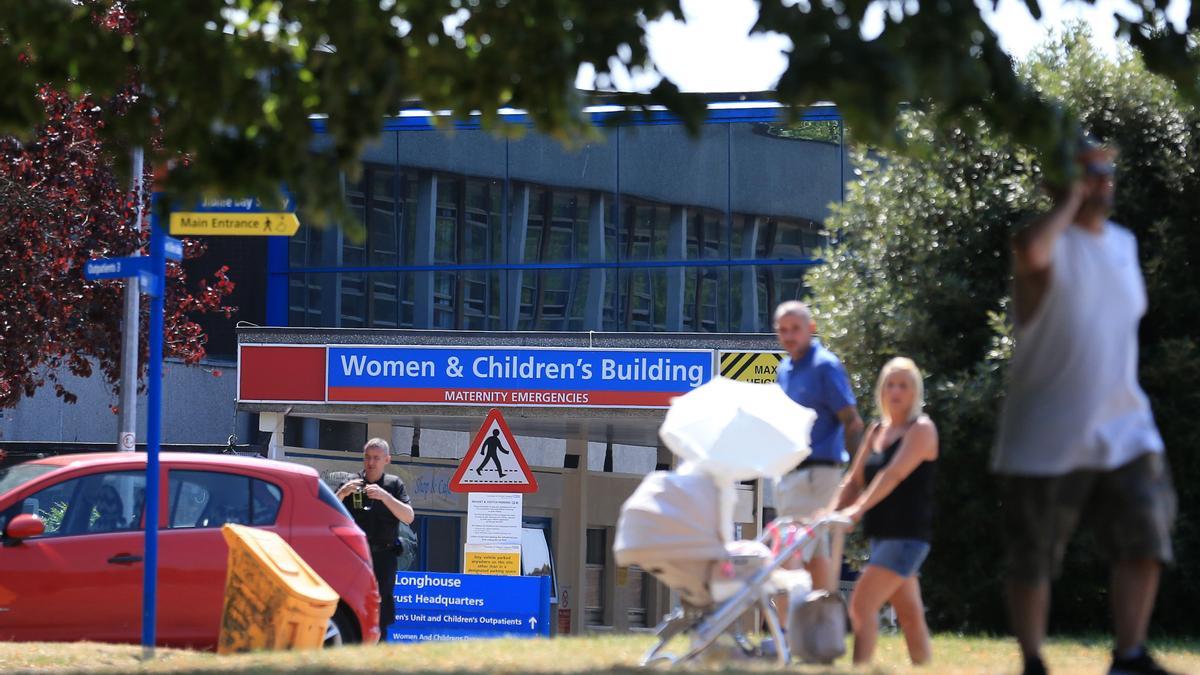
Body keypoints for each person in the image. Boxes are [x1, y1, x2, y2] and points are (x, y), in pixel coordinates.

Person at [994, 136, 1178, 675]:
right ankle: (1033, 660)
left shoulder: (1123, 244)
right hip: (1046, 431)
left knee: (1145, 534)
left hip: (1125, 424)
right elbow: (1030, 251)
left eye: (1105, 170)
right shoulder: (1043, 243)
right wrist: (1069, 200)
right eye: (1090, 171)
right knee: (1034, 558)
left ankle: (1130, 655)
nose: (1103, 179)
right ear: (1063, 182)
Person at [830, 357, 937, 665]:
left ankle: (859, 669)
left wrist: (857, 510)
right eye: (890, 384)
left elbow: (892, 474)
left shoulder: (922, 430)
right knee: (910, 615)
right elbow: (854, 480)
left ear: (915, 392)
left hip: (907, 537)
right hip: (882, 536)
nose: (896, 391)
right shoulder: (877, 430)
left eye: (903, 385)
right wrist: (828, 512)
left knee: (861, 605)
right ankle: (925, 668)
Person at [772, 301, 864, 599]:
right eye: (783, 330)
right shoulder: (784, 370)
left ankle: (787, 631)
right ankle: (820, 629)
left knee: (790, 550)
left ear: (811, 329)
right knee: (813, 552)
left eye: (795, 329)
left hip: (819, 472)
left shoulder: (825, 365)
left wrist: (858, 477)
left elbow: (851, 421)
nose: (789, 336)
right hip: (791, 471)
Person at [335, 438, 415, 636]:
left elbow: (408, 516)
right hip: (356, 556)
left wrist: (385, 496)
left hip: (384, 555)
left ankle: (380, 641)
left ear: (386, 460)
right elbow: (329, 514)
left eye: (376, 458)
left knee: (382, 603)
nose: (371, 463)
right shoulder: (350, 483)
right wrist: (342, 493)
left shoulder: (393, 484)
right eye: (367, 458)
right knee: (351, 600)